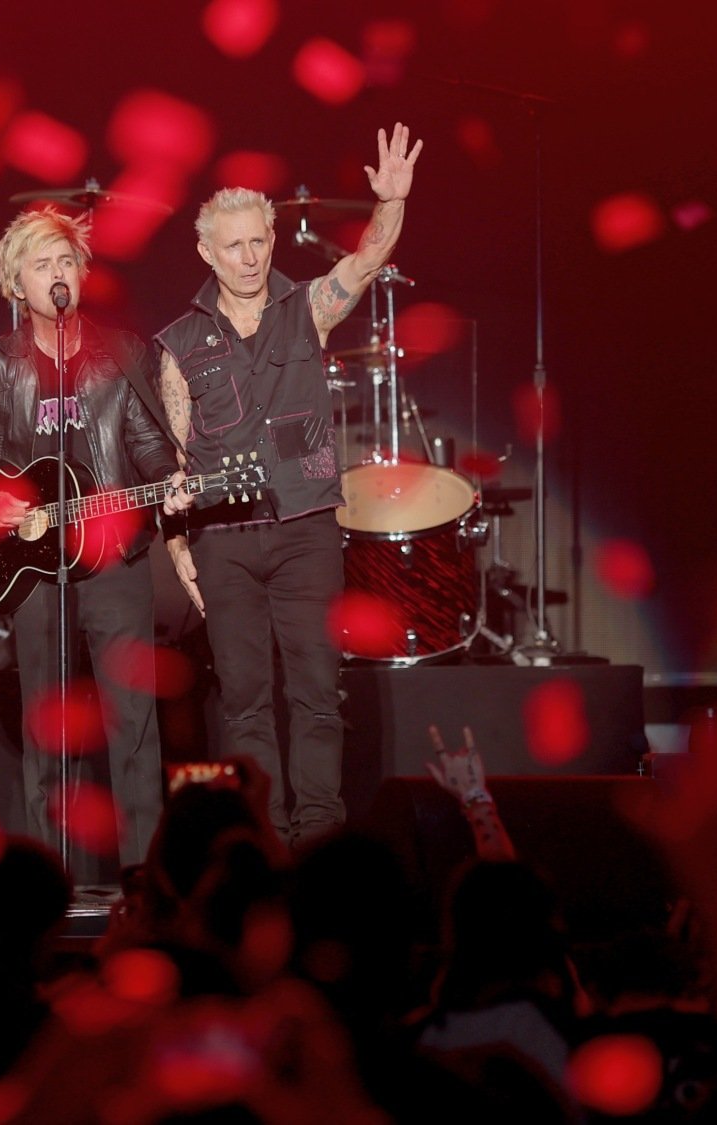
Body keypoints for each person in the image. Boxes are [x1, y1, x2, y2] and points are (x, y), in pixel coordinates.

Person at [156, 123, 422, 845]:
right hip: (224, 540)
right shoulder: (178, 345)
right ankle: (262, 835)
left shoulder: (307, 309)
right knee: (243, 700)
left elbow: (367, 260)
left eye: (259, 241)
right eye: (233, 245)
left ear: (273, 239)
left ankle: (319, 832)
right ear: (207, 252)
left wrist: (391, 202)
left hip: (307, 527)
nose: (249, 257)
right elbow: (173, 461)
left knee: (316, 693)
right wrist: (182, 553)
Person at [0, 207, 189, 869]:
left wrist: (172, 481)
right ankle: (47, 874)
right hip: (33, 568)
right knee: (49, 726)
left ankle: (140, 874)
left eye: (66, 261)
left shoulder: (120, 355)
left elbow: (149, 445)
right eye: (42, 264)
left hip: (113, 559)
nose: (57, 274)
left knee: (133, 725)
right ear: (17, 284)